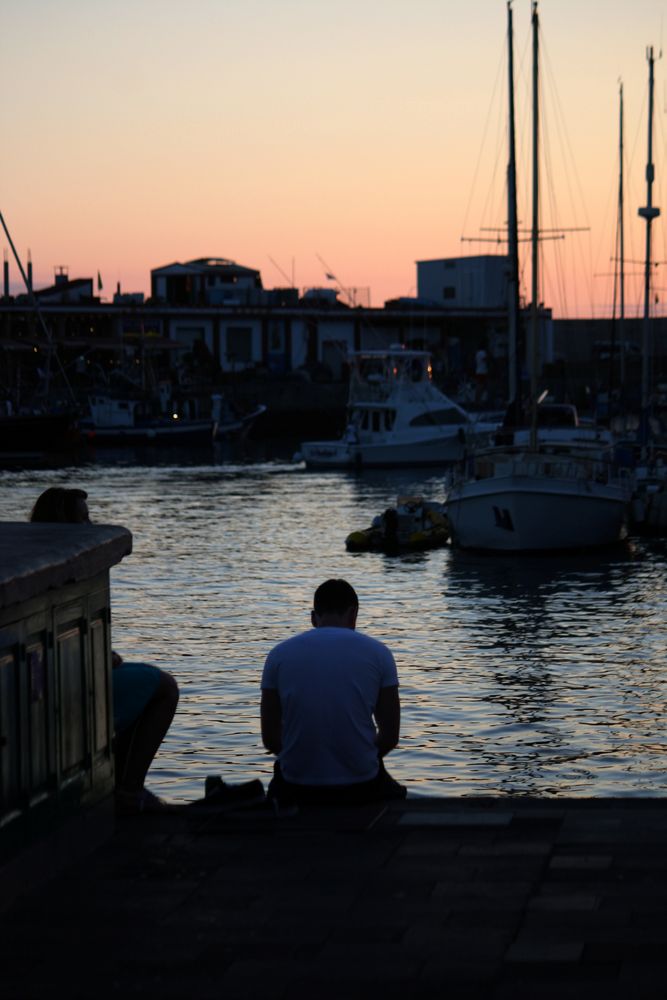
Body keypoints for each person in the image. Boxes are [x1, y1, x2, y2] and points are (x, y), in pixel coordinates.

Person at [30, 487, 180, 816]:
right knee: (164, 687)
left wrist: (103, 655)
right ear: (63, 524)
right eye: (83, 518)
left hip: (63, 680)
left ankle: (118, 783)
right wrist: (101, 658)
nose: (90, 524)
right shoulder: (67, 569)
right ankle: (128, 789)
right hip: (69, 685)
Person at [260, 579, 406, 807]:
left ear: (313, 617)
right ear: (353, 614)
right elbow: (390, 736)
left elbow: (270, 739)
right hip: (361, 783)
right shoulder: (379, 653)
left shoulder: (278, 655)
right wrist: (357, 759)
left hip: (297, 783)